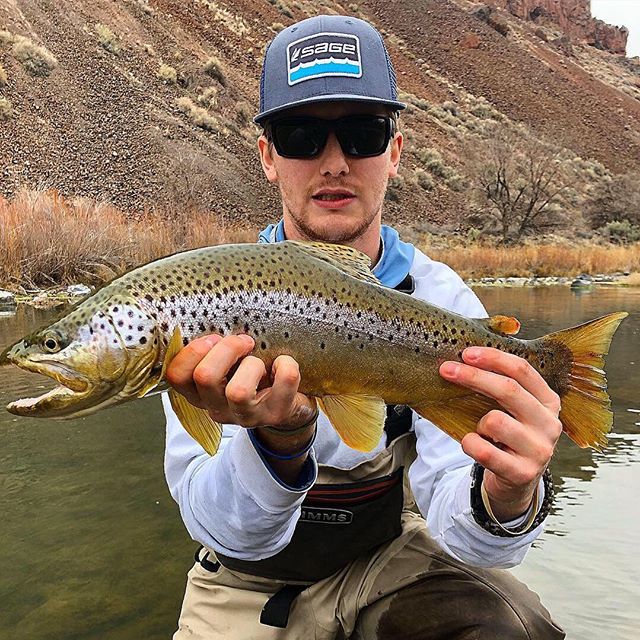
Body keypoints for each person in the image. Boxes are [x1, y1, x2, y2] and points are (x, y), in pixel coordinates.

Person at [163, 14, 565, 639]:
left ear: (394, 152)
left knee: (510, 628)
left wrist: (508, 495)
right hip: (244, 584)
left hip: (387, 565)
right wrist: (279, 443)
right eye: (301, 135)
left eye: (362, 133)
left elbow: (473, 540)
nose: (334, 163)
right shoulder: (204, 300)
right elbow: (222, 530)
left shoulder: (444, 304)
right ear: (268, 156)